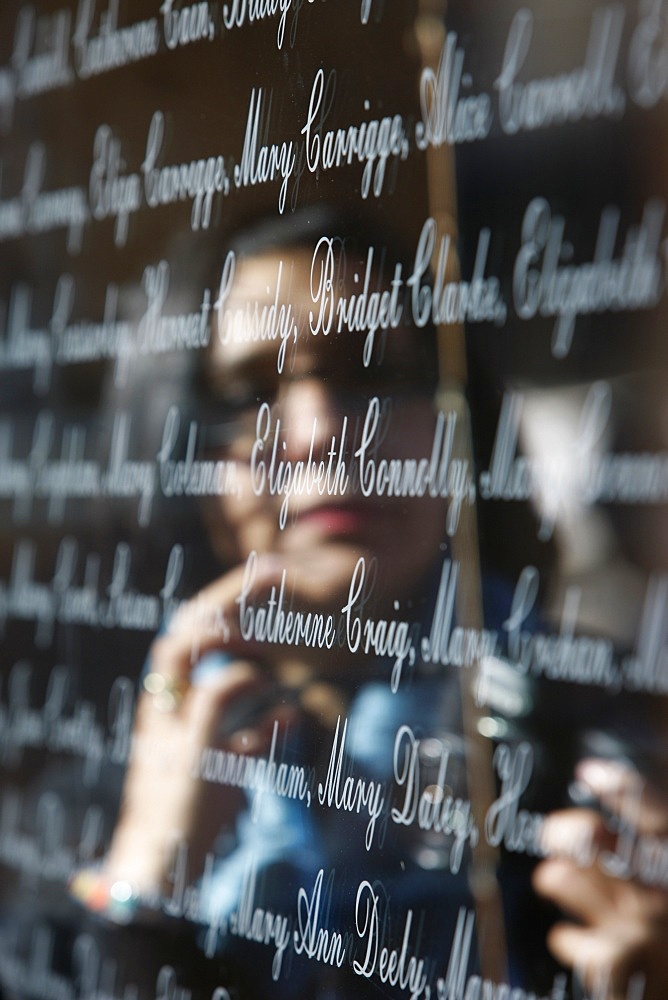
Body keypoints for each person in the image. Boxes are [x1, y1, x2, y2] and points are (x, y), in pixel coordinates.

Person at [69, 213, 668, 1000]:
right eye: (252, 391)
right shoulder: (83, 797)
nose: (321, 432)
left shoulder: (620, 742)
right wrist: (140, 892)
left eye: (373, 373)